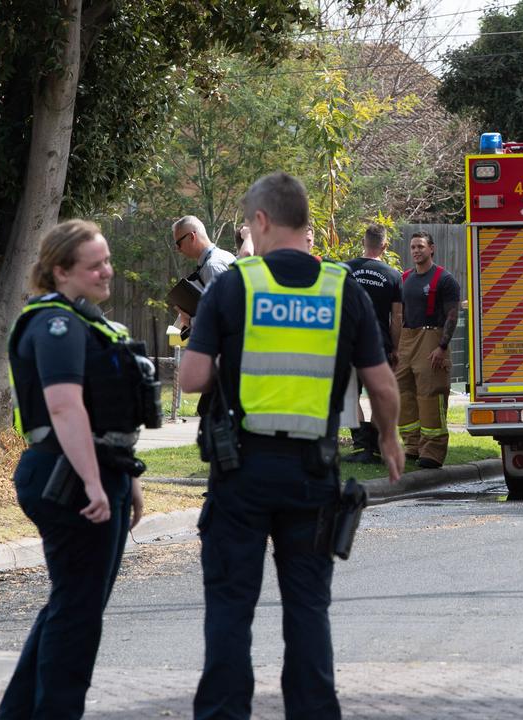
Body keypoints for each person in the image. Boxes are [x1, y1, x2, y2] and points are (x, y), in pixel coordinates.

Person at [179, 172, 403, 719]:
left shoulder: (236, 286)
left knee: (231, 609)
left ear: (260, 221)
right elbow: (381, 382)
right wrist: (391, 437)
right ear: (304, 220)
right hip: (313, 474)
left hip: (241, 472)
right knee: (307, 608)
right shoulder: (341, 287)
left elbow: (190, 378)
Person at [0, 219, 151, 718]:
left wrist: (127, 478)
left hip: (98, 471)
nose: (107, 272)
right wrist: (93, 483)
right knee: (78, 613)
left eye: (107, 261)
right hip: (67, 477)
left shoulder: (85, 321)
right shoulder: (56, 324)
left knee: (71, 604)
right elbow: (65, 409)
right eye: (95, 265)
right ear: (61, 271)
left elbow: (109, 415)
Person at [394, 231, 461, 470]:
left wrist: (441, 347)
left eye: (420, 246)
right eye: (413, 247)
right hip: (407, 339)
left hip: (432, 338)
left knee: (430, 395)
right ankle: (412, 446)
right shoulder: (405, 278)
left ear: (431, 248)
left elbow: (452, 315)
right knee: (403, 393)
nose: (415, 251)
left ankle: (432, 451)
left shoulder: (445, 280)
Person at [345, 224, 403, 464]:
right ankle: (376, 447)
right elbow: (397, 317)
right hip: (379, 344)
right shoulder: (393, 275)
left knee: (350, 396)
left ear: (363, 242)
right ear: (385, 246)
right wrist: (395, 347)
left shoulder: (344, 270)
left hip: (348, 343)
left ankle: (361, 447)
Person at [172, 215, 237, 332]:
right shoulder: (224, 256)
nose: (178, 249)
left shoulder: (212, 266)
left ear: (192, 236)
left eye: (179, 243)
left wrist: (189, 321)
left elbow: (225, 316)